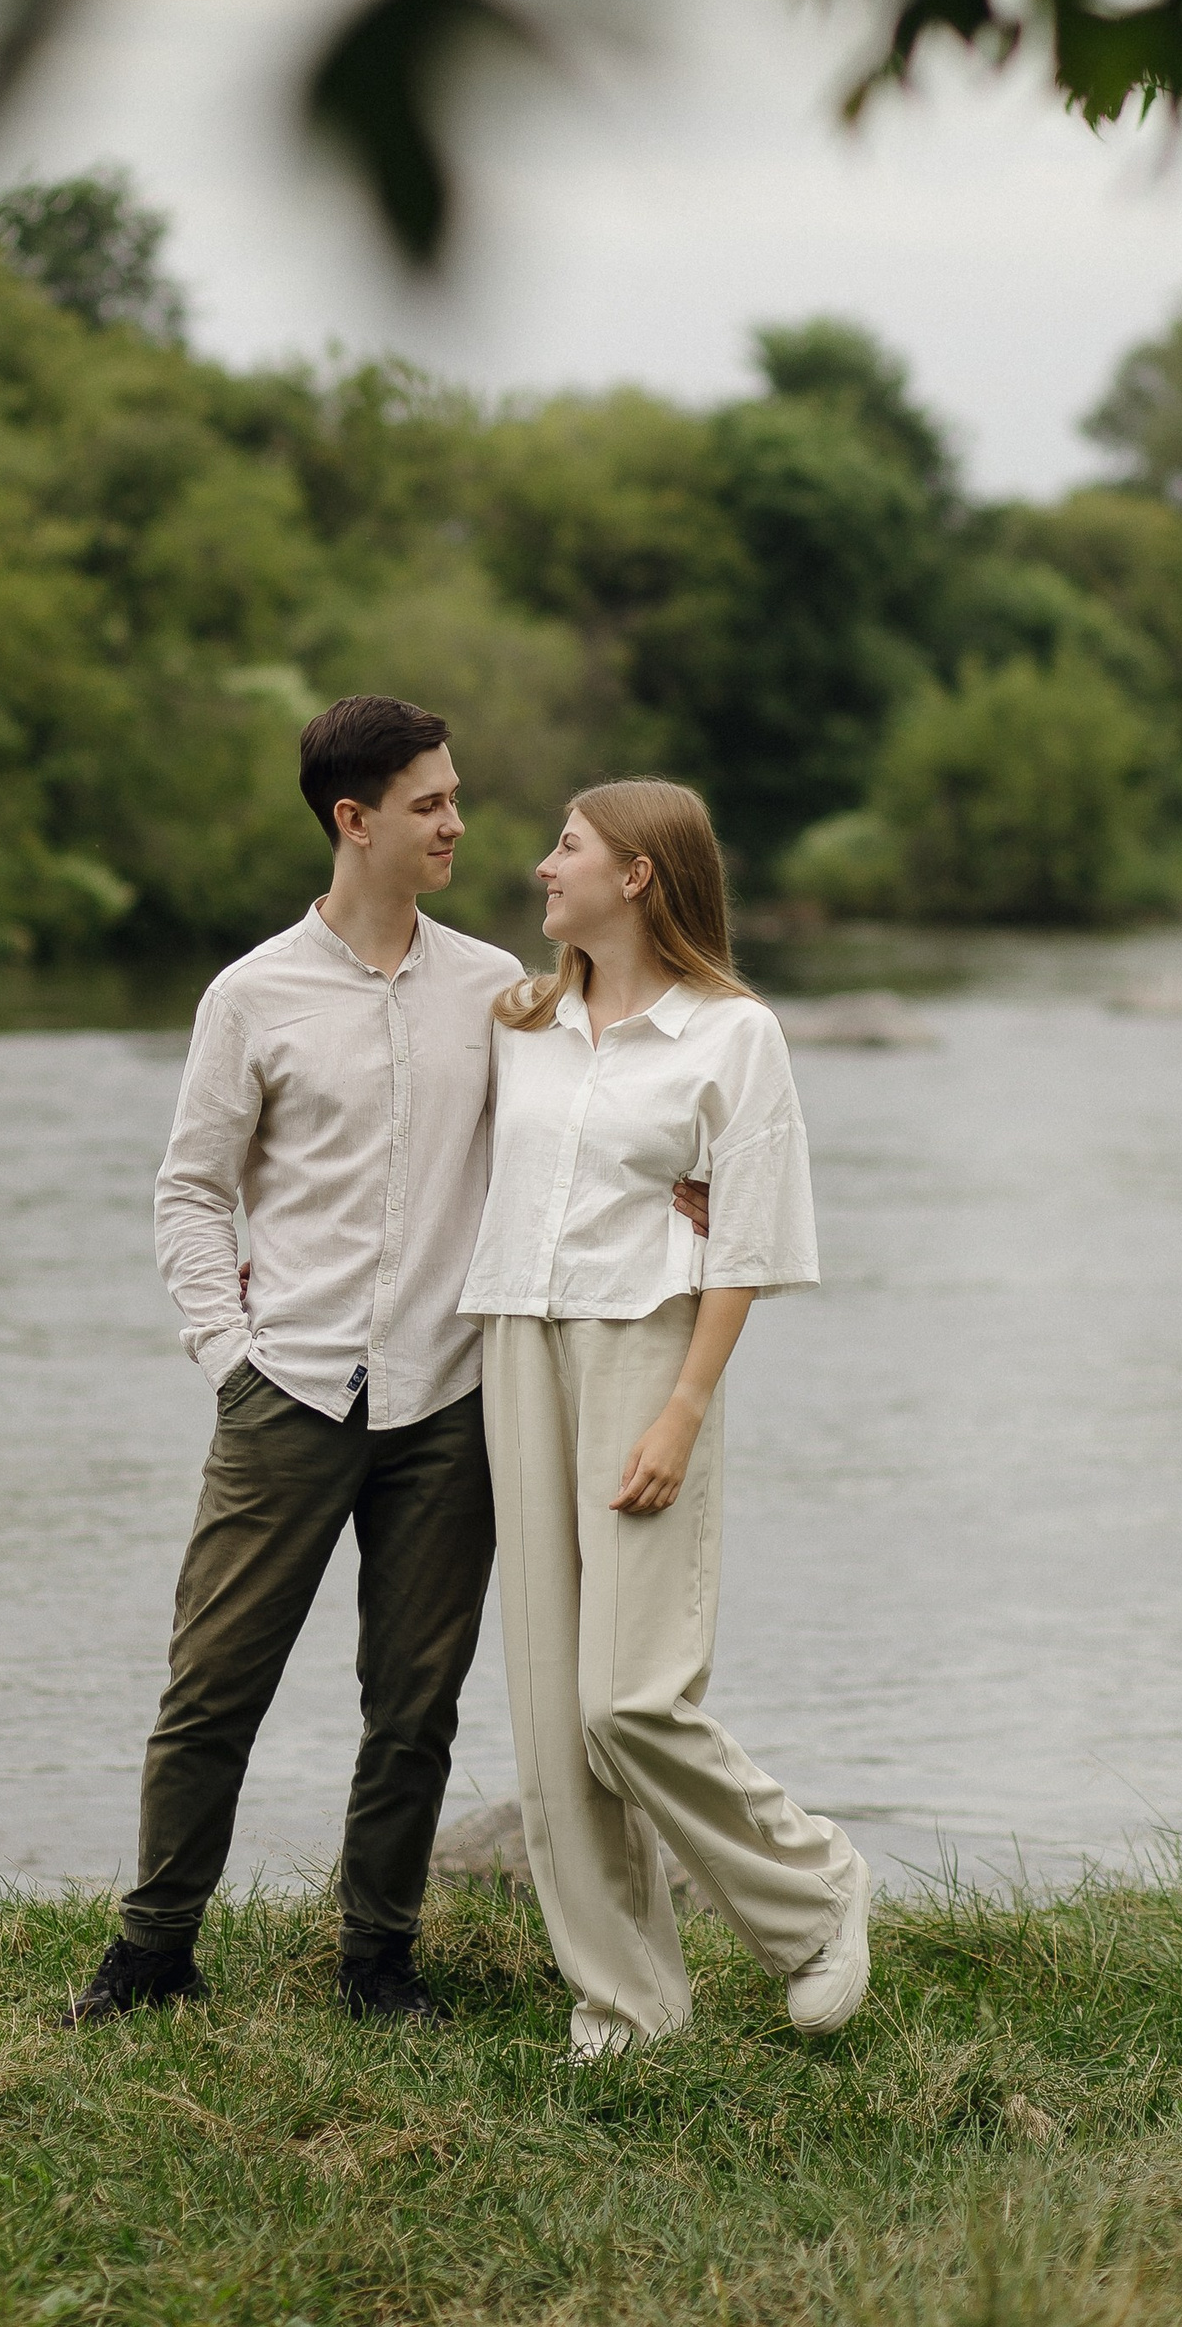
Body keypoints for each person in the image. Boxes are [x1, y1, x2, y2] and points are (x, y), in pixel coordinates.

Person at [64, 697, 707, 2028]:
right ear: (354, 820)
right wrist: (228, 1356)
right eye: (431, 803)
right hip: (284, 1394)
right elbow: (192, 1189)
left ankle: (380, 1960)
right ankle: (152, 1954)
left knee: (413, 1706)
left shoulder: (501, 991)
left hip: (448, 1406)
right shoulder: (251, 996)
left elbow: (606, 1095)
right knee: (211, 1690)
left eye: (456, 797)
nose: (460, 823)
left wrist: (692, 1180)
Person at [460, 778, 871, 2062]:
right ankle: (627, 2003)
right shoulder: (518, 1019)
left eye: (566, 847)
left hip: (647, 1346)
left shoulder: (732, 1035)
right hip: (514, 1339)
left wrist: (683, 1408)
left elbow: (746, 1235)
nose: (541, 866)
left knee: (626, 1696)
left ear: (636, 873)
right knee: (545, 1710)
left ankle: (811, 1894)